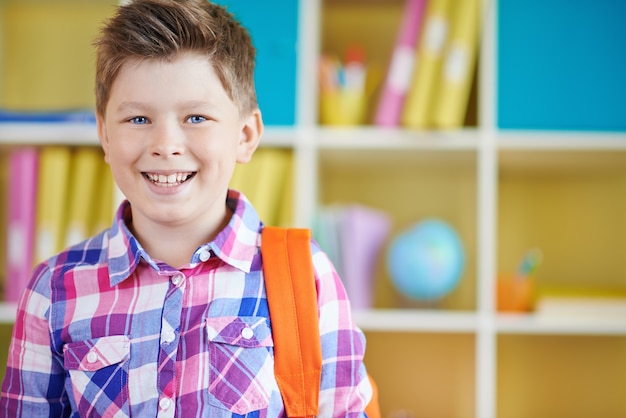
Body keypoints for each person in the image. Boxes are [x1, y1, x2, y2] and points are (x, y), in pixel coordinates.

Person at [0, 0, 373, 416]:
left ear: (246, 135)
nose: (166, 144)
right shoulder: (53, 289)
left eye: (196, 117)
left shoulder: (305, 275)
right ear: (105, 134)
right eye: (138, 120)